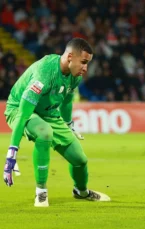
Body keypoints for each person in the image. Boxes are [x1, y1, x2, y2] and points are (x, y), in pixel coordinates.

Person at [3, 38, 111, 207]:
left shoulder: (75, 76)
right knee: (44, 133)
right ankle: (41, 192)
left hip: (49, 113)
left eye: (87, 63)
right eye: (83, 62)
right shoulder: (44, 73)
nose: (85, 68)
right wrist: (12, 152)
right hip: (19, 109)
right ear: (70, 57)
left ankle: (81, 192)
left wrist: (68, 124)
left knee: (80, 160)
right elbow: (23, 115)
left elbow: (67, 100)